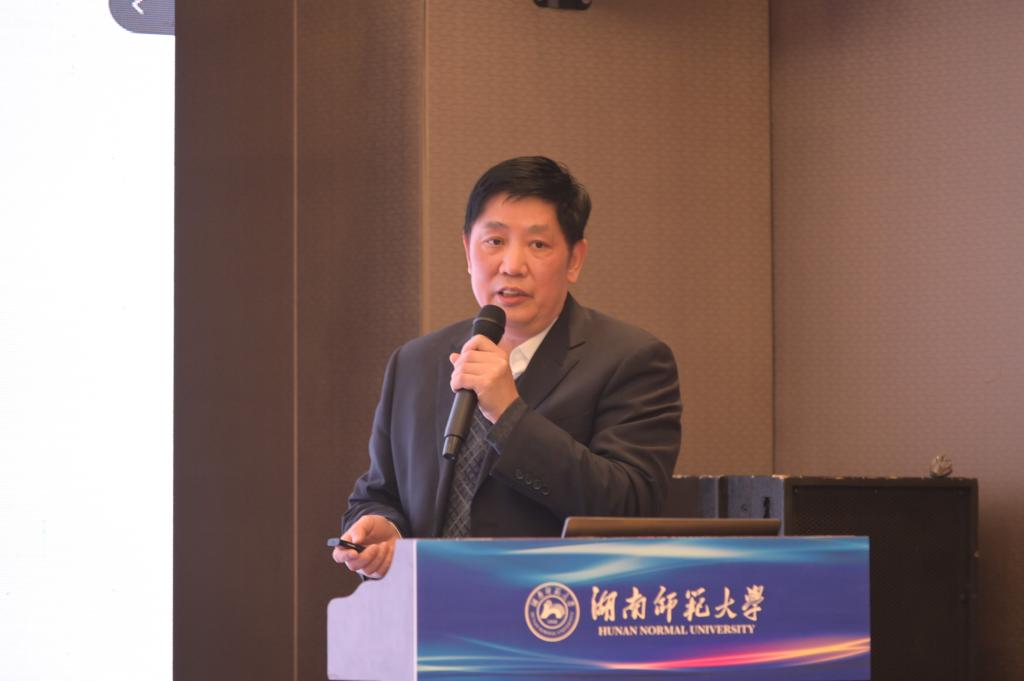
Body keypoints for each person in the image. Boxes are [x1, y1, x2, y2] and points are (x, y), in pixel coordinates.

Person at [333, 156, 681, 578]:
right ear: (467, 249)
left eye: (538, 245)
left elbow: (633, 506)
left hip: (552, 607)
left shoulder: (632, 360)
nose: (512, 265)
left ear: (574, 259)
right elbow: (378, 493)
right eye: (494, 241)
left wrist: (509, 414)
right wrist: (383, 528)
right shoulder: (415, 362)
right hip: (432, 607)